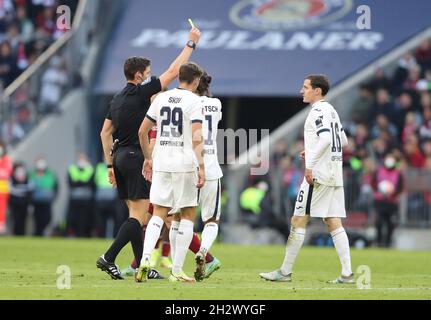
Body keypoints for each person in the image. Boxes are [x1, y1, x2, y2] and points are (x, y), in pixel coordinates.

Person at [96, 27, 202, 280]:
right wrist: (191, 43)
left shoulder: (117, 98)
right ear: (138, 75)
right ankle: (108, 257)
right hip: (134, 156)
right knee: (142, 216)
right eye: (147, 73)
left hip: (119, 158)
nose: (150, 77)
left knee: (138, 216)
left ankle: (142, 265)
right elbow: (174, 71)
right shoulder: (142, 91)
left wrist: (110, 166)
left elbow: (104, 133)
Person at [259, 75, 354, 284]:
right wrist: (311, 149)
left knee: (298, 219)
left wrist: (310, 163)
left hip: (318, 174)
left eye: (305, 87)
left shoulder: (318, 111)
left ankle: (284, 272)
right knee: (333, 221)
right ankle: (347, 274)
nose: (302, 91)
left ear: (317, 91)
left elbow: (327, 138)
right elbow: (343, 140)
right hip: (334, 172)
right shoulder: (331, 111)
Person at [136, 62, 205, 283]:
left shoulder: (161, 99)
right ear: (195, 81)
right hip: (184, 163)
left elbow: (142, 130)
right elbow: (196, 137)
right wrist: (201, 166)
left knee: (158, 213)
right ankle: (176, 270)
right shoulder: (195, 101)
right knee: (186, 215)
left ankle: (145, 260)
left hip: (162, 162)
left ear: (178, 78)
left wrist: (148, 157)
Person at [191, 71, 223, 281]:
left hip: (188, 167)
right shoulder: (216, 104)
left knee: (179, 220)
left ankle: (176, 267)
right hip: (211, 167)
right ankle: (203, 250)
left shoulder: (188, 104)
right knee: (211, 220)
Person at [371, 154, 404, 247]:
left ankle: (388, 242)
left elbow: (400, 187)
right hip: (379, 201)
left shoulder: (398, 173)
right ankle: (378, 241)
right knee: (379, 222)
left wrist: (393, 193)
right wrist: (379, 191)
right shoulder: (379, 171)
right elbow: (373, 183)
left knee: (391, 223)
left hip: (392, 202)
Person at [66, 153, 95, 237]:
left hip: (86, 199)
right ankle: (72, 234)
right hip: (74, 199)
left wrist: (78, 182)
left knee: (84, 218)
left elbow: (91, 184)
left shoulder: (90, 169)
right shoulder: (72, 169)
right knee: (73, 218)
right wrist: (83, 183)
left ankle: (82, 234)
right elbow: (71, 183)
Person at [29, 156, 58, 236]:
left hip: (46, 201)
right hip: (36, 201)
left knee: (47, 218)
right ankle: (38, 233)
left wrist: (53, 197)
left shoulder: (50, 173)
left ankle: (40, 231)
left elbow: (56, 186)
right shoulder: (31, 174)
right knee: (37, 218)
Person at [93, 160, 121, 238]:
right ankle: (102, 236)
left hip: (113, 199)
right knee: (101, 221)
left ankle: (113, 236)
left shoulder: (115, 167)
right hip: (101, 199)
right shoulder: (99, 167)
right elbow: (95, 180)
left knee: (114, 219)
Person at [9, 162, 32, 235]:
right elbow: (10, 190)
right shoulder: (12, 179)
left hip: (24, 203)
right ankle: (15, 233)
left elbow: (30, 190)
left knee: (23, 220)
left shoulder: (27, 179)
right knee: (16, 219)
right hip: (15, 203)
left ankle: (22, 234)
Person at [0, 140, 12, 234]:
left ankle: (1, 226)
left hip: (2, 190)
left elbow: (6, 173)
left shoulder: (6, 159)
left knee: (1, 209)